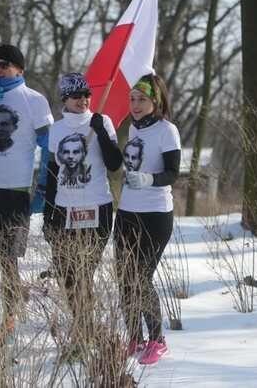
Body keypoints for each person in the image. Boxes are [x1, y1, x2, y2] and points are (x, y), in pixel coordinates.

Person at [0, 44, 53, 341]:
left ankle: (8, 324)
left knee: (8, 262)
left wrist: (42, 187)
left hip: (15, 192)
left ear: (19, 68)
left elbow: (49, 147)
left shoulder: (34, 100)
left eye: (4, 65)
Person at [42, 72, 123, 358]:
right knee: (67, 274)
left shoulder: (102, 122)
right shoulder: (56, 129)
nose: (83, 100)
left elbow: (115, 164)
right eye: (76, 96)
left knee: (84, 272)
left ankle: (83, 332)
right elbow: (52, 174)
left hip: (97, 207)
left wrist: (101, 132)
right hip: (65, 209)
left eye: (87, 94)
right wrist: (48, 215)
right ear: (65, 99)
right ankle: (85, 325)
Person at [113, 74, 181, 366]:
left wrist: (149, 179)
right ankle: (134, 338)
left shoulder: (167, 130)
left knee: (141, 277)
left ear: (156, 101)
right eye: (132, 99)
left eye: (142, 99)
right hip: (127, 212)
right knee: (124, 278)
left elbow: (173, 173)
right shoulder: (134, 129)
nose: (135, 105)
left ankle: (157, 340)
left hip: (155, 214)